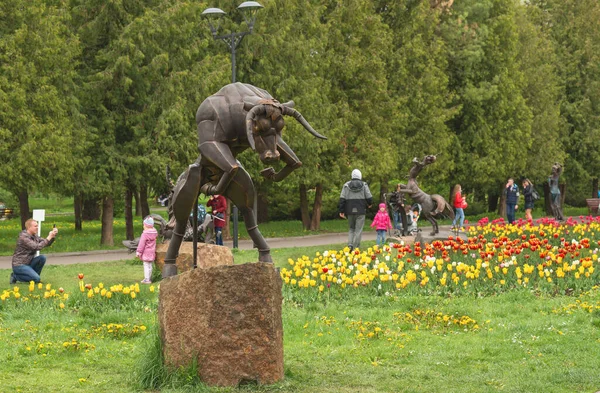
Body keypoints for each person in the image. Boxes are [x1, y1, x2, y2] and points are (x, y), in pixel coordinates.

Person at [10, 219, 58, 284]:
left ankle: (35, 278)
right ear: (29, 227)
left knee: (42, 258)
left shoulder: (34, 236)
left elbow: (46, 243)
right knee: (36, 278)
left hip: (28, 263)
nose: (37, 228)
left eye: (37, 226)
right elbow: (37, 247)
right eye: (35, 226)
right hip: (19, 265)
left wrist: (52, 236)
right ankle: (15, 276)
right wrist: (49, 237)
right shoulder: (23, 237)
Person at [338, 169, 373, 251]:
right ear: (360, 176)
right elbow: (369, 197)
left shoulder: (346, 185)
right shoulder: (364, 185)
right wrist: (370, 204)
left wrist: (341, 211)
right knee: (358, 230)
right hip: (361, 210)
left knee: (351, 228)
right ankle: (356, 247)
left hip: (349, 210)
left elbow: (342, 199)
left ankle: (350, 245)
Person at [136, 216, 158, 284]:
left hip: (146, 252)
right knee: (150, 265)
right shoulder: (155, 233)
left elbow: (141, 244)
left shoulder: (144, 234)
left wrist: (139, 252)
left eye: (144, 225)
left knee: (146, 265)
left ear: (146, 225)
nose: (143, 226)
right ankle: (149, 278)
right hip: (152, 252)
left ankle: (147, 279)